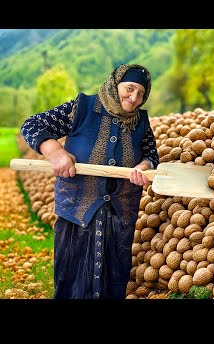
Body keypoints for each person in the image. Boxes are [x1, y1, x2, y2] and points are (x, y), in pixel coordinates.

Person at [21, 64, 160, 299]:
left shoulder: (141, 122)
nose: (134, 98)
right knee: (72, 277)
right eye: (130, 88)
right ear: (115, 84)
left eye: (141, 94)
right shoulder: (82, 108)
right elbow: (32, 125)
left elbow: (151, 155)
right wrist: (55, 152)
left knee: (112, 278)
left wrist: (144, 166)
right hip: (78, 209)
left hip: (119, 215)